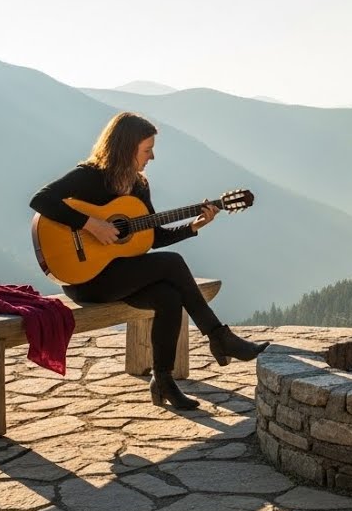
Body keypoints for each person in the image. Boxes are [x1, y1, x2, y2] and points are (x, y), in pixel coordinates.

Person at [29, 112, 267, 411]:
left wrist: (193, 226)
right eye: (147, 150)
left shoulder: (138, 186)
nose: (152, 157)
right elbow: (41, 200)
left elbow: (153, 237)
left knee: (168, 297)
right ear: (125, 148)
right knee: (172, 263)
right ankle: (219, 337)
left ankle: (163, 380)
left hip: (120, 276)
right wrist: (92, 224)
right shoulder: (89, 176)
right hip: (85, 280)